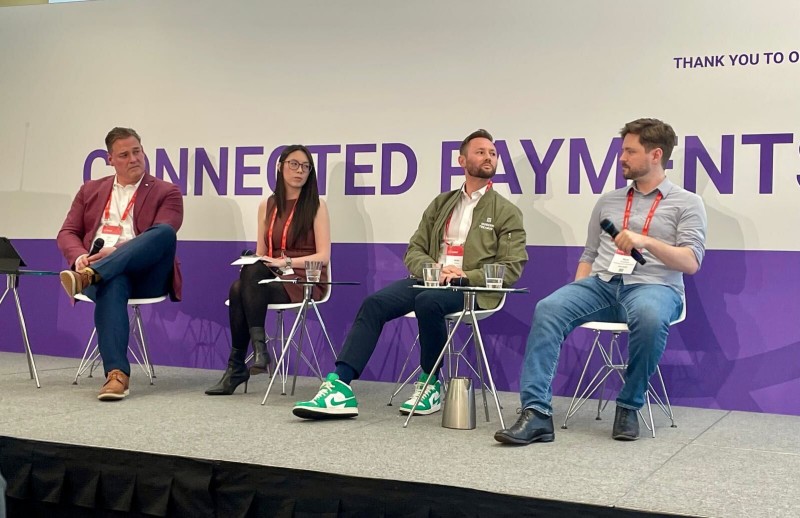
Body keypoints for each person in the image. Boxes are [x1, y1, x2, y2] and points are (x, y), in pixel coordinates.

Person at [495, 118, 707, 444]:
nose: (621, 158)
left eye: (629, 151)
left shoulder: (687, 203)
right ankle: (536, 413)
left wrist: (646, 242)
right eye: (622, 150)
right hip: (603, 284)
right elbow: (589, 253)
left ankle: (628, 405)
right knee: (549, 308)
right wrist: (577, 288)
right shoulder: (608, 200)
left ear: (655, 155)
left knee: (650, 317)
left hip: (655, 286)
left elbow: (691, 263)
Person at [293, 129, 527, 419]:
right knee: (374, 303)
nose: (488, 157)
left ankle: (430, 383)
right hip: (431, 279)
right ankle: (340, 385)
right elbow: (414, 250)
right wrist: (438, 271)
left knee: (429, 301)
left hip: (471, 289)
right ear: (461, 160)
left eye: (492, 153)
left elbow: (511, 267)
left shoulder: (506, 212)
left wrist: (464, 274)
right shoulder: (442, 203)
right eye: (480, 152)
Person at [57, 127, 183, 401]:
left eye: (137, 151)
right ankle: (116, 375)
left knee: (163, 233)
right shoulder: (90, 190)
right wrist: (79, 256)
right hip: (105, 274)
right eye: (124, 154)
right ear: (110, 159)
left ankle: (92, 275)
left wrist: (112, 253)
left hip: (147, 273)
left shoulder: (167, 191)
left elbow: (166, 230)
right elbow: (67, 232)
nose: (133, 158)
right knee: (113, 281)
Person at [205, 145, 331, 395]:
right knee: (247, 274)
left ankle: (240, 364)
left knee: (238, 288)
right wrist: (260, 260)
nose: (300, 171)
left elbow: (323, 257)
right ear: (280, 166)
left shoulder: (317, 205)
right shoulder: (267, 205)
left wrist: (285, 263)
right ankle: (258, 352)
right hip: (271, 276)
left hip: (304, 279)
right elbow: (262, 252)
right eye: (294, 164)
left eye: (306, 167)